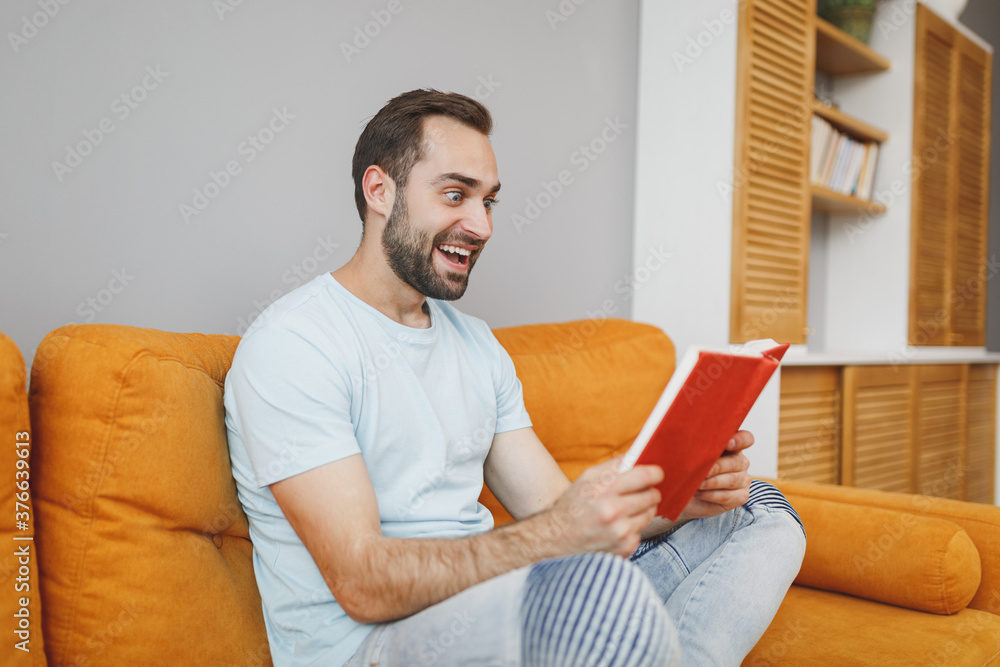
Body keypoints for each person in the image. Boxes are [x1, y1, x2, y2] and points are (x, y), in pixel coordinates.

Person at [224, 89, 806, 667]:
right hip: (379, 644)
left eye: (489, 202)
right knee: (603, 592)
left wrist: (680, 497)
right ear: (379, 190)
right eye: (455, 195)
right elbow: (364, 585)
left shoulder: (474, 344)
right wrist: (560, 537)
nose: (480, 225)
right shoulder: (295, 344)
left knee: (761, 508)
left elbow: (551, 507)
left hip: (507, 606)